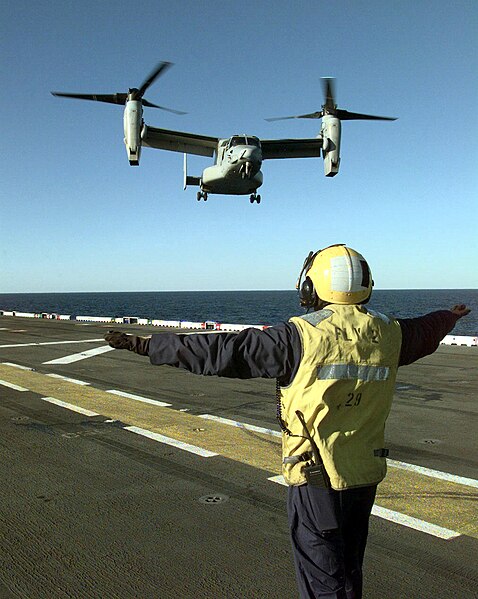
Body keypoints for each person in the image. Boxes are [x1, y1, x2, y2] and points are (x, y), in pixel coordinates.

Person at [105, 244, 470, 599]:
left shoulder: (300, 337)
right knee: (348, 568)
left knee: (321, 576)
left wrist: (148, 346)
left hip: (316, 478)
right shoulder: (392, 334)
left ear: (312, 286)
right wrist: (449, 316)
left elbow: (224, 351)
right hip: (365, 474)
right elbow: (427, 330)